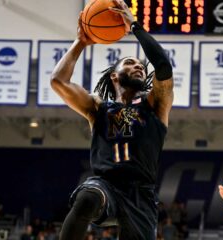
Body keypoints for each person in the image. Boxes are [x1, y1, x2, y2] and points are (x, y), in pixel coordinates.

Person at [50, 0, 173, 239]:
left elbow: (163, 65)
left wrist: (135, 25)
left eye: (140, 66)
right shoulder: (98, 108)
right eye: (130, 63)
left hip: (141, 194)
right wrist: (81, 42)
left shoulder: (156, 104)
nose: (138, 66)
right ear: (115, 76)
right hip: (106, 185)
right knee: (87, 197)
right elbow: (58, 82)